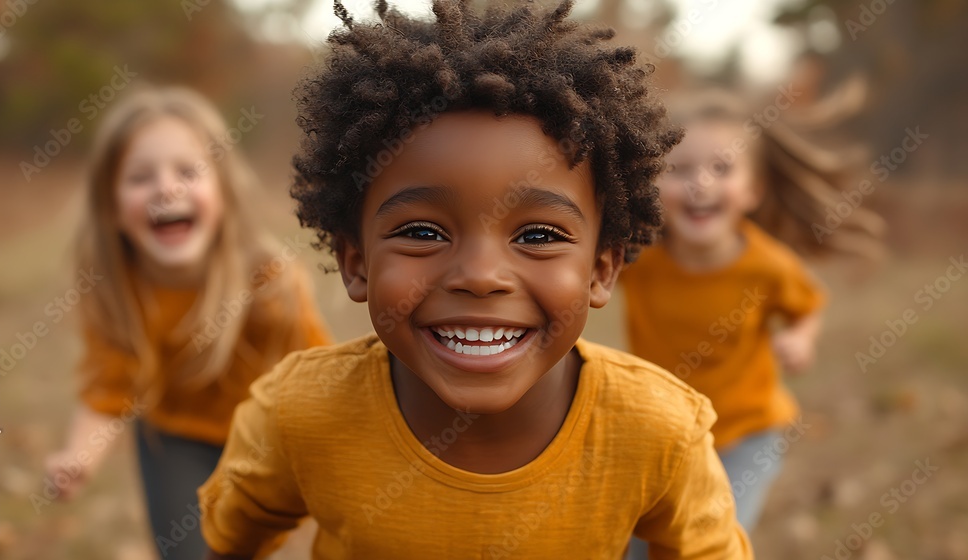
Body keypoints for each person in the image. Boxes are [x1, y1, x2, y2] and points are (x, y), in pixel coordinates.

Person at [199, 1, 753, 558]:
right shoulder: (299, 413)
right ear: (355, 260)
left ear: (601, 269)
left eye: (537, 236)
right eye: (423, 231)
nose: (481, 277)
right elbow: (230, 539)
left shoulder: (659, 433)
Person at [44, 86, 331, 560]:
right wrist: (79, 457)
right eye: (140, 177)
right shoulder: (118, 291)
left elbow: (320, 370)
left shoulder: (268, 281)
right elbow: (108, 386)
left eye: (187, 171)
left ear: (223, 190)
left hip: (263, 439)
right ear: (113, 207)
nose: (165, 188)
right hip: (174, 436)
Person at [619, 88, 885, 553]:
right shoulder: (638, 260)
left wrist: (801, 339)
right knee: (640, 546)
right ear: (653, 184)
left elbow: (807, 305)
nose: (701, 183)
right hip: (661, 433)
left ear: (753, 189)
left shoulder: (767, 266)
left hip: (747, 435)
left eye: (721, 168)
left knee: (710, 539)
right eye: (679, 170)